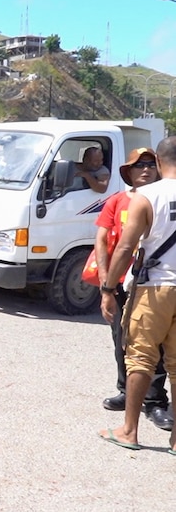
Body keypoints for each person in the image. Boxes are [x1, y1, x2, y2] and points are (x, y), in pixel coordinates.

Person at [99, 136, 176, 452]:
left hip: (154, 288)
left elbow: (126, 246)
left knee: (140, 358)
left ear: (159, 162)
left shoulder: (145, 197)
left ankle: (129, 431)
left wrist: (107, 288)